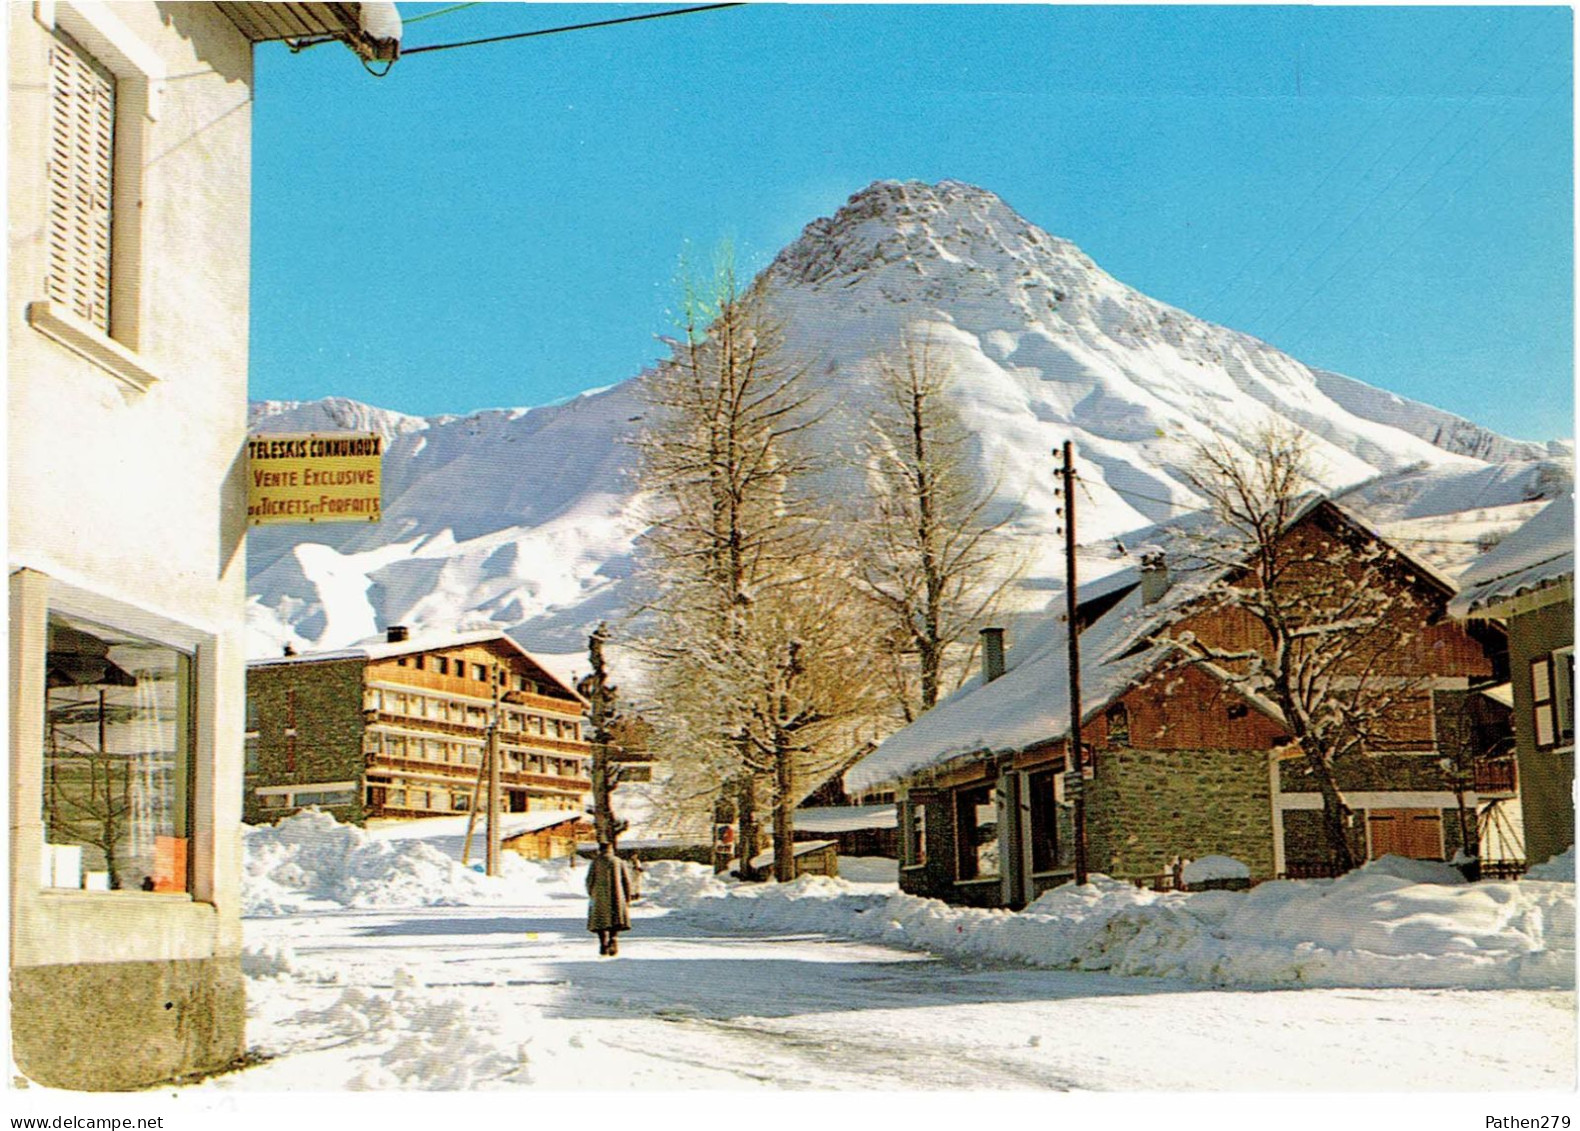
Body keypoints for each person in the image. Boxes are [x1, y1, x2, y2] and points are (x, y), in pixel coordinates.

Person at [585, 843, 634, 956]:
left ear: (600, 850)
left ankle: (603, 943)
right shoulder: (618, 861)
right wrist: (627, 896)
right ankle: (613, 939)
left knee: (600, 921)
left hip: (599, 896)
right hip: (617, 895)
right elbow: (626, 880)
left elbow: (589, 880)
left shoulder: (596, 862)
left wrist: (592, 892)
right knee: (615, 919)